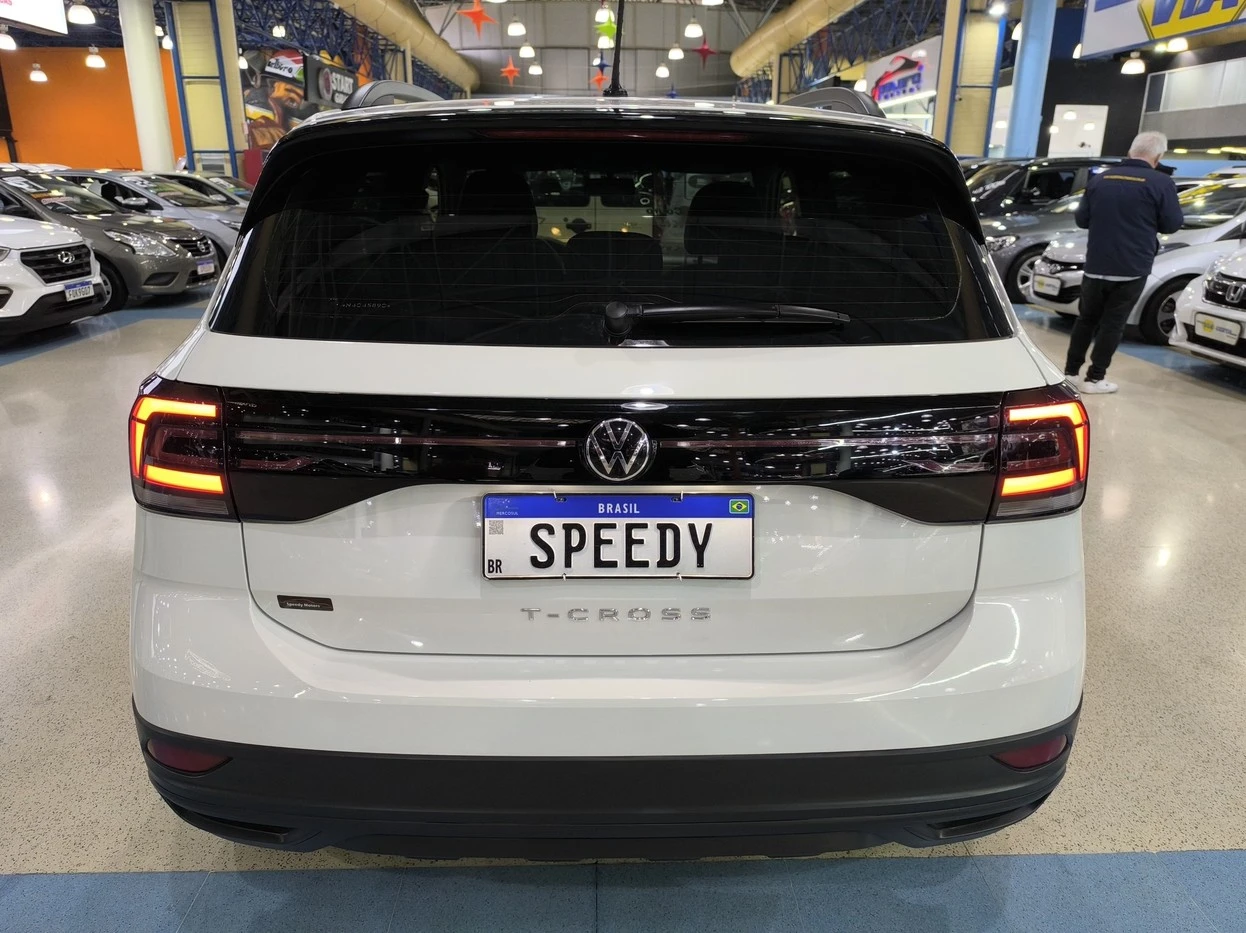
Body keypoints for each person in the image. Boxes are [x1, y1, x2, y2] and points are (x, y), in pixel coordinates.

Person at [1065, 131, 1184, 394]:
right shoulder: (1161, 183)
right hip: (1131, 267)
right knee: (1113, 323)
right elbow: (1172, 224)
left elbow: (1082, 220)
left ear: (1131, 151)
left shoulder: (1101, 179)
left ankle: (1070, 373)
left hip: (1096, 265)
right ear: (1158, 156)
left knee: (1085, 319)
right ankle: (1094, 379)